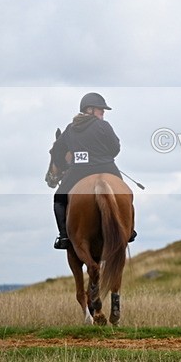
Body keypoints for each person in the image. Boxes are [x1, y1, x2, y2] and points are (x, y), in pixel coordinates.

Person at [50, 92, 136, 249]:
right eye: (100, 109)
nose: (103, 112)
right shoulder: (104, 126)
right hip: (107, 167)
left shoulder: (70, 129)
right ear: (89, 110)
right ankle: (129, 229)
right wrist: (103, 157)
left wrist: (65, 165)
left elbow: (57, 151)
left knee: (59, 199)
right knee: (127, 194)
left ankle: (64, 237)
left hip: (78, 171)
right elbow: (116, 148)